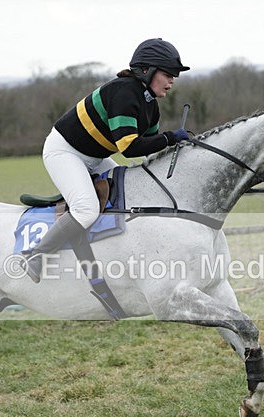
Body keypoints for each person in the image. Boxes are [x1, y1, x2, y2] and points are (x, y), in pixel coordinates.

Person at [20, 38, 191, 283]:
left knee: (132, 189)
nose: (172, 80)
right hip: (65, 152)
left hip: (96, 156)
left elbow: (150, 151)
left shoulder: (151, 105)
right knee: (86, 210)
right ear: (147, 70)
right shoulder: (124, 93)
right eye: (168, 74)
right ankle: (36, 256)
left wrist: (179, 150)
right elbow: (129, 148)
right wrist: (170, 138)